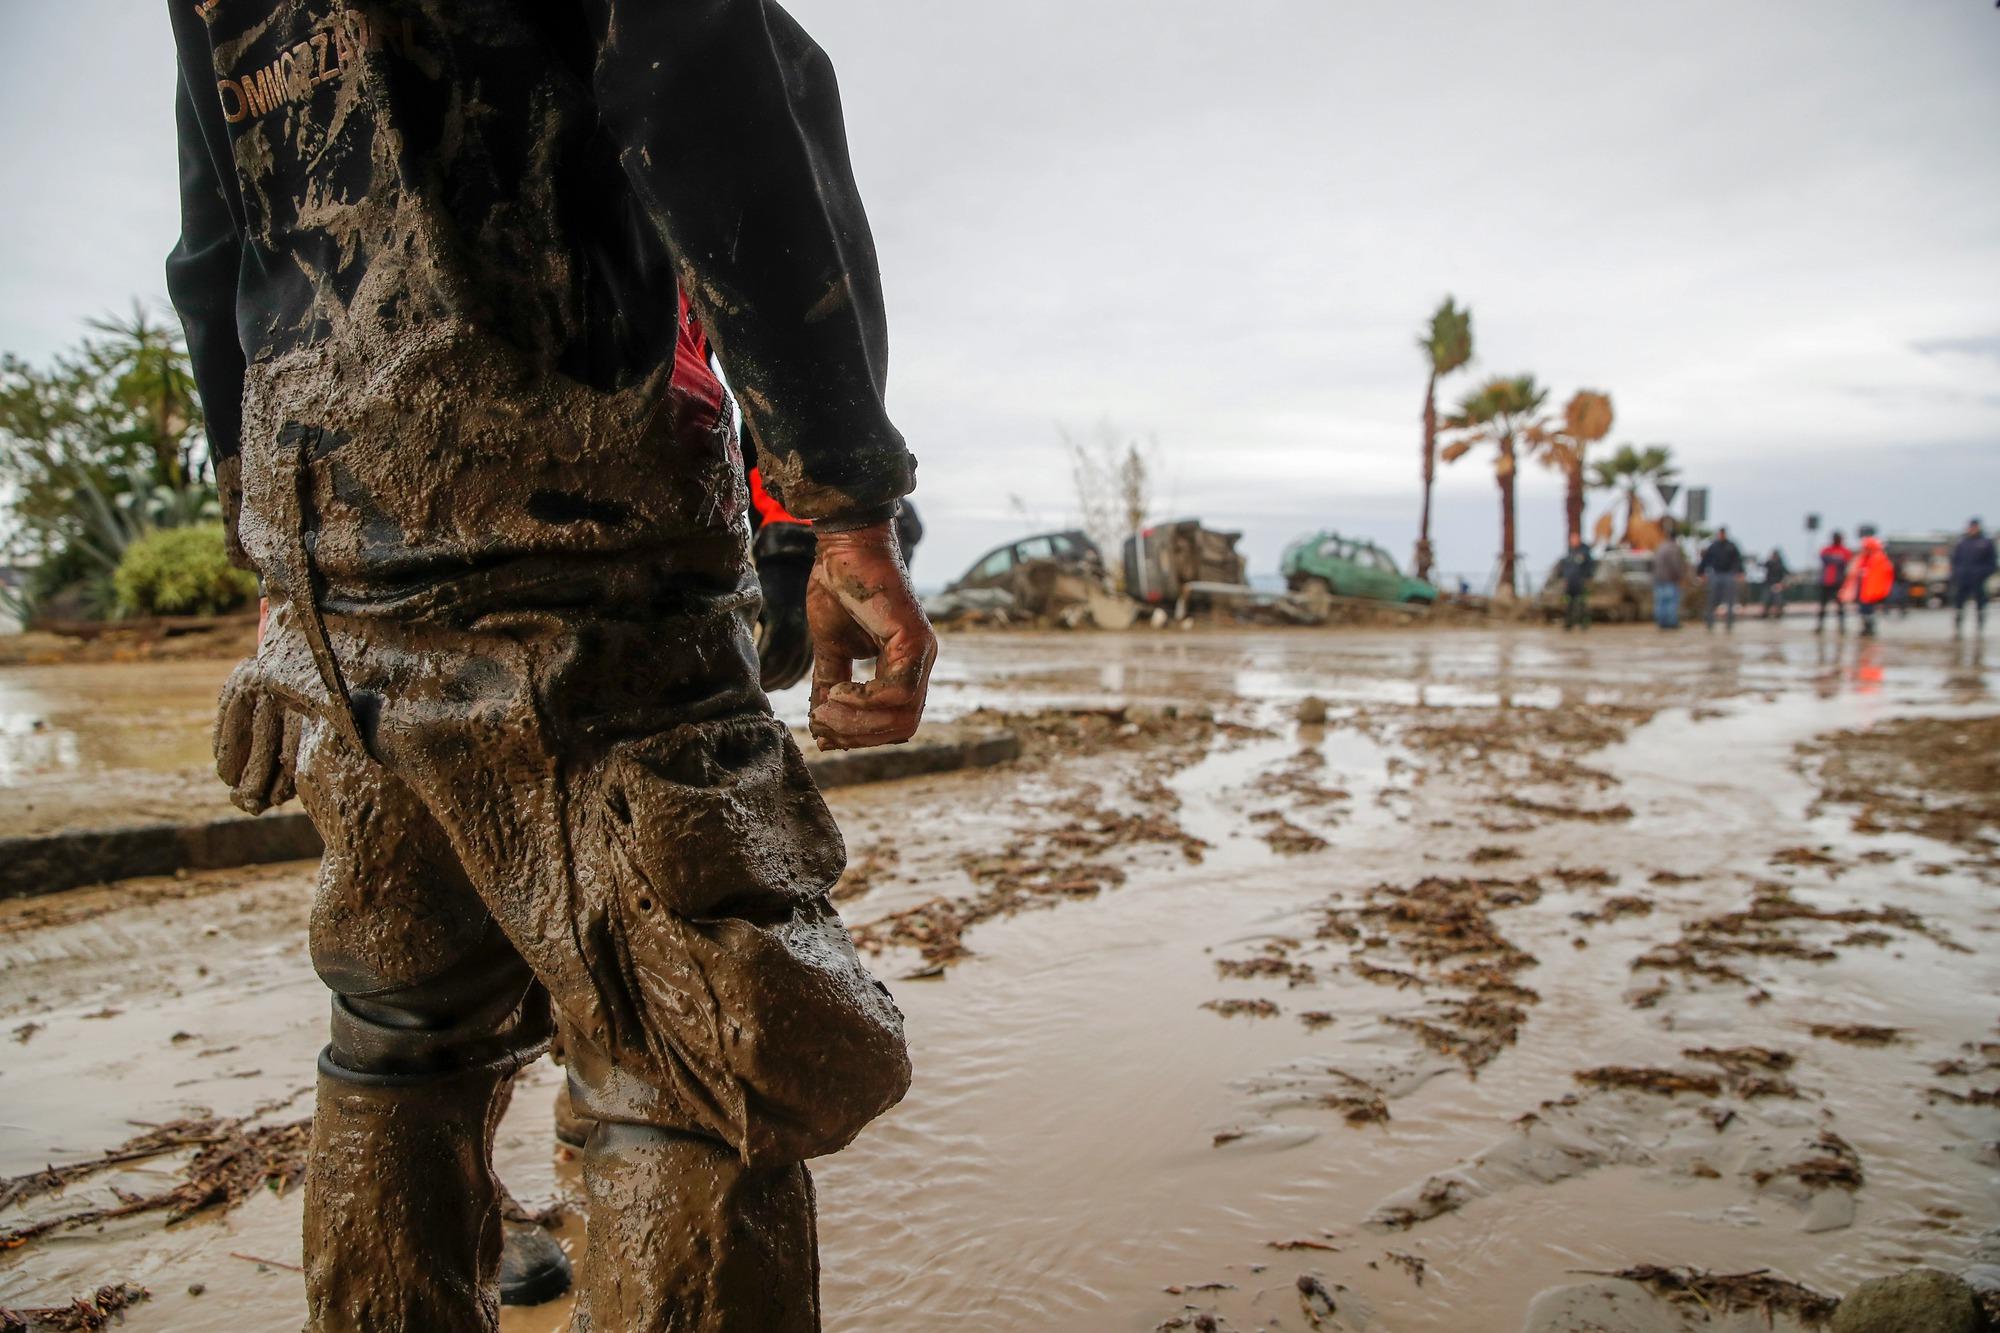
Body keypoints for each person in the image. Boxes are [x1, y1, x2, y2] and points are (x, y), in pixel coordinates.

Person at [170, 5, 938, 1330]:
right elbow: (706, 95)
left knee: (399, 1026)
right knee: (696, 1049)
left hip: (336, 536)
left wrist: (278, 585)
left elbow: (218, 232)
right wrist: (844, 507)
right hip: (578, 519)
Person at [1843, 526, 1896, 637]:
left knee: (1868, 610)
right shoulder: (1866, 558)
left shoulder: (1878, 558)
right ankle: (1866, 628)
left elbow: (1882, 575)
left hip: (1871, 591)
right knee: (1864, 611)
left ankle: (1869, 628)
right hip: (1865, 591)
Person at [1950, 517, 1997, 635]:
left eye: (1974, 527)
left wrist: (1982, 574)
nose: (1972, 529)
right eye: (1970, 527)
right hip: (1963, 579)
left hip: (1979, 580)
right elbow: (1955, 560)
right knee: (1959, 605)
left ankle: (1979, 630)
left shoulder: (1986, 543)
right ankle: (1958, 629)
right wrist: (1957, 573)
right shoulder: (1962, 543)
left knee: (1980, 605)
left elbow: (1992, 563)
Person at [1699, 526, 1745, 631]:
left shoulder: (1731, 546)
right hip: (1716, 575)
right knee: (1712, 600)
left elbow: (1738, 560)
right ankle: (1709, 624)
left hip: (1728, 575)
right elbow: (1706, 560)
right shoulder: (1713, 546)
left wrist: (1740, 572)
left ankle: (1729, 626)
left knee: (1730, 602)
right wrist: (1701, 572)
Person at [1815, 530, 1853, 634]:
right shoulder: (1826, 549)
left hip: (1839, 582)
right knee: (1823, 606)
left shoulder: (1845, 551)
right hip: (1826, 582)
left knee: (1840, 606)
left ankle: (1842, 627)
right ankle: (1819, 626)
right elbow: (1824, 558)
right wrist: (1837, 559)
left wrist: (1834, 559)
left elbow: (1846, 561)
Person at [1558, 536, 1596, 631]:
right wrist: (1565, 580)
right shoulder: (1570, 554)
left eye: (1574, 540)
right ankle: (1568, 624)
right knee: (1568, 604)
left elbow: (1591, 567)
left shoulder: (1585, 553)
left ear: (1578, 541)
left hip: (1580, 582)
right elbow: (1565, 568)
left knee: (1581, 604)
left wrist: (1587, 579)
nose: (1573, 542)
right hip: (1570, 583)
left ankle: (1583, 624)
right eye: (1571, 540)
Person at [1651, 536, 1687, 630]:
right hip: (1669, 579)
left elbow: (1653, 563)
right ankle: (1671, 623)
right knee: (1671, 602)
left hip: (1658, 579)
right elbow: (1675, 565)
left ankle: (1661, 623)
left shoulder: (1659, 548)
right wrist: (1680, 577)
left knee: (1660, 602)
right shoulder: (1673, 549)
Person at [1761, 547, 1789, 619]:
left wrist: (1780, 584)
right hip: (1769, 583)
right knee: (1766, 599)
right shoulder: (1770, 563)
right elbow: (1762, 565)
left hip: (1777, 584)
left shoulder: (1780, 565)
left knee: (1777, 600)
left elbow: (1785, 575)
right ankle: (1765, 612)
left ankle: (1777, 612)